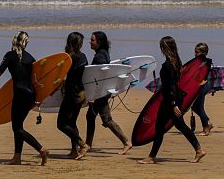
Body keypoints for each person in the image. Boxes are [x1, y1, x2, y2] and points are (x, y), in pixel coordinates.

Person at [0, 31, 48, 165]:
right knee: (18, 125)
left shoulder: (9, 55)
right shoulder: (31, 58)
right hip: (31, 94)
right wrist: (40, 98)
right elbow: (36, 81)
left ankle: (41, 149)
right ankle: (17, 157)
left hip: (20, 94)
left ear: (14, 41)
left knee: (17, 128)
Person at [138, 36, 205, 164]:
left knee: (160, 127)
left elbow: (171, 86)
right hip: (174, 98)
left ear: (165, 48)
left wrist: (174, 104)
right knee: (179, 125)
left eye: (161, 47)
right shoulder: (176, 61)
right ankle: (198, 150)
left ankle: (152, 157)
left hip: (170, 100)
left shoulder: (168, 65)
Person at [84, 31, 133, 155]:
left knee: (97, 117)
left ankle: (125, 142)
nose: (90, 42)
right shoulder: (103, 53)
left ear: (99, 42)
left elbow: (100, 78)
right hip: (103, 91)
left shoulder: (100, 56)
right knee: (102, 118)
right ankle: (88, 144)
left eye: (92, 40)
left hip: (100, 92)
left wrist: (93, 96)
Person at [56, 32, 91, 160]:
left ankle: (82, 145)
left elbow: (62, 76)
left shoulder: (68, 58)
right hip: (81, 92)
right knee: (72, 122)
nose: (82, 44)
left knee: (61, 124)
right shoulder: (83, 57)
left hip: (72, 94)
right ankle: (73, 151)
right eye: (81, 42)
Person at [191, 42, 214, 136]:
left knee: (199, 108)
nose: (195, 54)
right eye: (195, 52)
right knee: (194, 106)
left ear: (203, 53)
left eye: (197, 52)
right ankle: (207, 123)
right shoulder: (197, 61)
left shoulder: (206, 62)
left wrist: (199, 85)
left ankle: (206, 129)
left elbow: (204, 76)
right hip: (199, 86)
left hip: (202, 86)